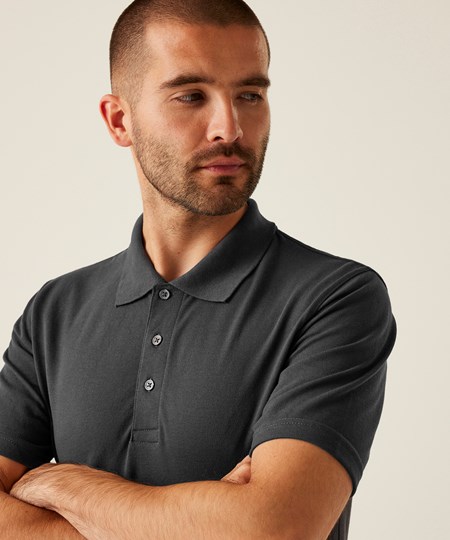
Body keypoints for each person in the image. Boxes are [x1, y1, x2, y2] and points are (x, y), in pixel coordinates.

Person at [0, 0, 397, 538]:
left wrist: (65, 488)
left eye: (250, 95)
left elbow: (275, 528)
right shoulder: (55, 310)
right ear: (120, 120)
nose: (229, 127)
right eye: (191, 95)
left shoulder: (336, 298)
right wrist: (206, 520)